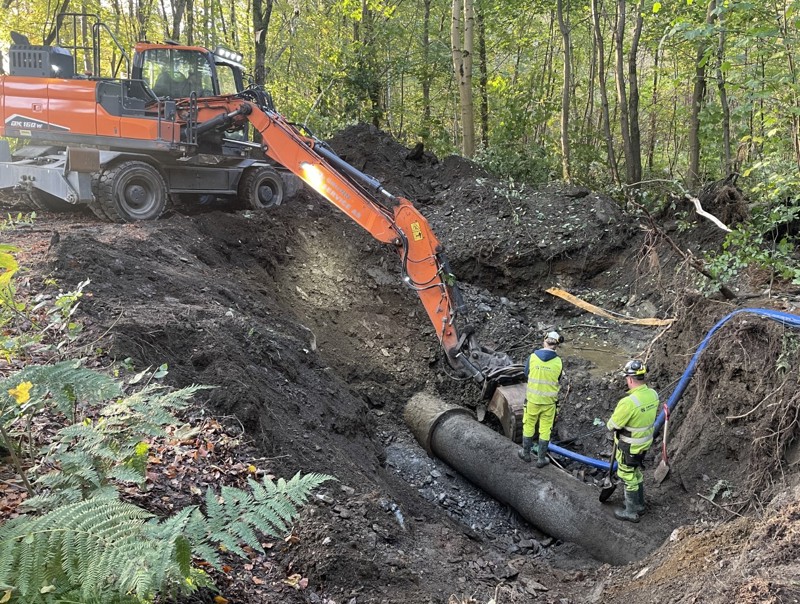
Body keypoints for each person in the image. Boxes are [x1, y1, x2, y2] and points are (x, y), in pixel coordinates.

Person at [606, 359, 660, 522]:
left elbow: (612, 425)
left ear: (629, 379)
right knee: (636, 472)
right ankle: (639, 504)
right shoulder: (653, 394)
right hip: (644, 445)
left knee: (627, 475)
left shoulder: (629, 402)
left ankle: (631, 511)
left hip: (629, 446)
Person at [518, 331, 563, 468]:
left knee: (529, 425)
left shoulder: (532, 357)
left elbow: (526, 373)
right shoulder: (558, 362)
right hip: (549, 403)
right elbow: (558, 378)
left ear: (544, 341)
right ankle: (541, 459)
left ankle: (525, 454)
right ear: (556, 345)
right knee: (545, 429)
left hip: (532, 400)